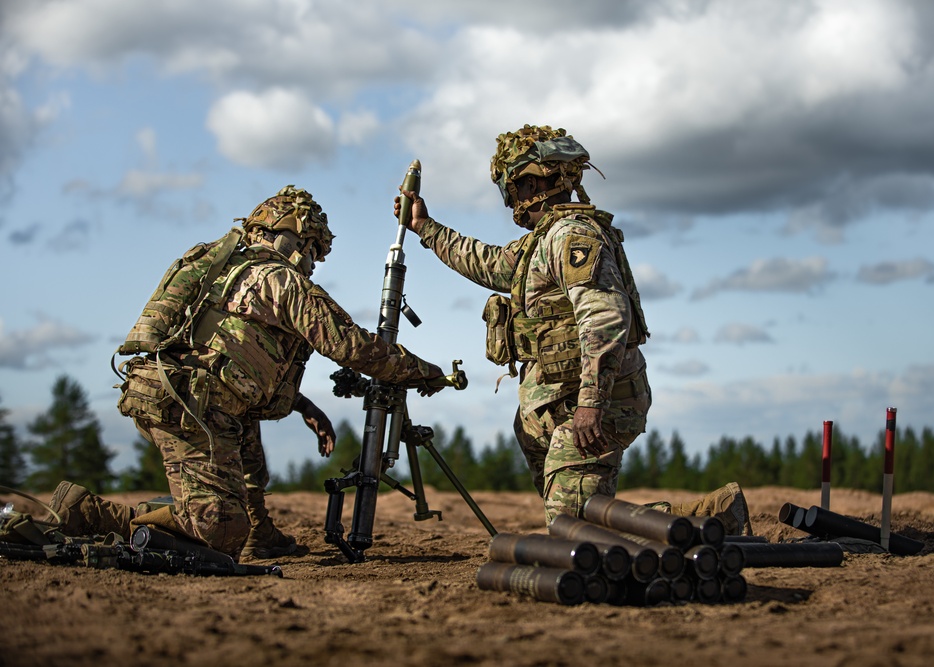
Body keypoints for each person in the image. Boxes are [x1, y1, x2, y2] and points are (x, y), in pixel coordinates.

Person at [50, 185, 446, 559]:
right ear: (294, 240)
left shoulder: (222, 265)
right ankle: (93, 514)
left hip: (174, 390)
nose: (312, 263)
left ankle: (258, 531)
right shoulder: (279, 280)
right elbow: (352, 346)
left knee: (245, 433)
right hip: (191, 406)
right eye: (313, 251)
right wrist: (419, 370)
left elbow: (224, 356)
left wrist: (304, 406)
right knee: (219, 530)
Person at [395, 124, 751, 534]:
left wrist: (591, 404)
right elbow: (486, 262)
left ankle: (712, 519)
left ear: (531, 182)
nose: (511, 200)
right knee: (579, 515)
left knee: (575, 526)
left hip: (592, 405)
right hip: (557, 406)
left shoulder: (570, 236)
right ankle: (692, 522)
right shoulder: (540, 243)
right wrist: (426, 227)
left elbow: (605, 317)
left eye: (511, 187)